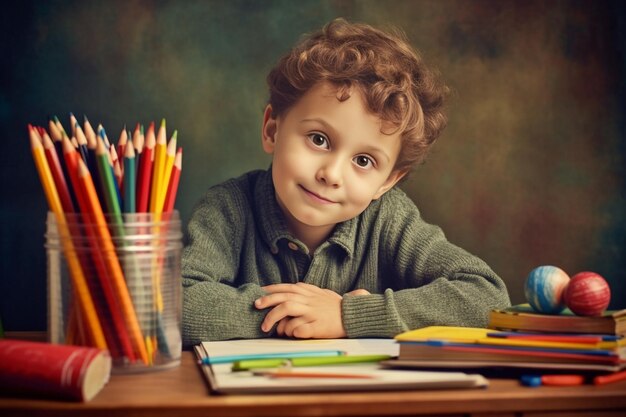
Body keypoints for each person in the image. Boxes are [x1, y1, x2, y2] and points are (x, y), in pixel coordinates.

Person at [182, 18, 510, 345]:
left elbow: (487, 298)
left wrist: (347, 315)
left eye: (364, 161)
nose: (332, 174)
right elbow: (173, 305)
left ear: (388, 181)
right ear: (272, 130)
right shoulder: (228, 208)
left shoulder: (389, 220)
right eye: (319, 139)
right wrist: (296, 314)